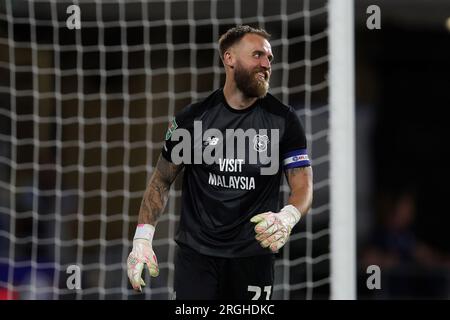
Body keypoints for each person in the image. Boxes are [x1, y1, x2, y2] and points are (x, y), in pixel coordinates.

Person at [126, 25, 313, 300]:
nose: (266, 64)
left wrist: (288, 217)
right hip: (197, 257)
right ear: (229, 59)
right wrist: (142, 238)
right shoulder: (192, 120)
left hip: (253, 257)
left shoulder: (283, 119)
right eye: (258, 55)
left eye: (269, 58)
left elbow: (303, 184)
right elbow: (161, 180)